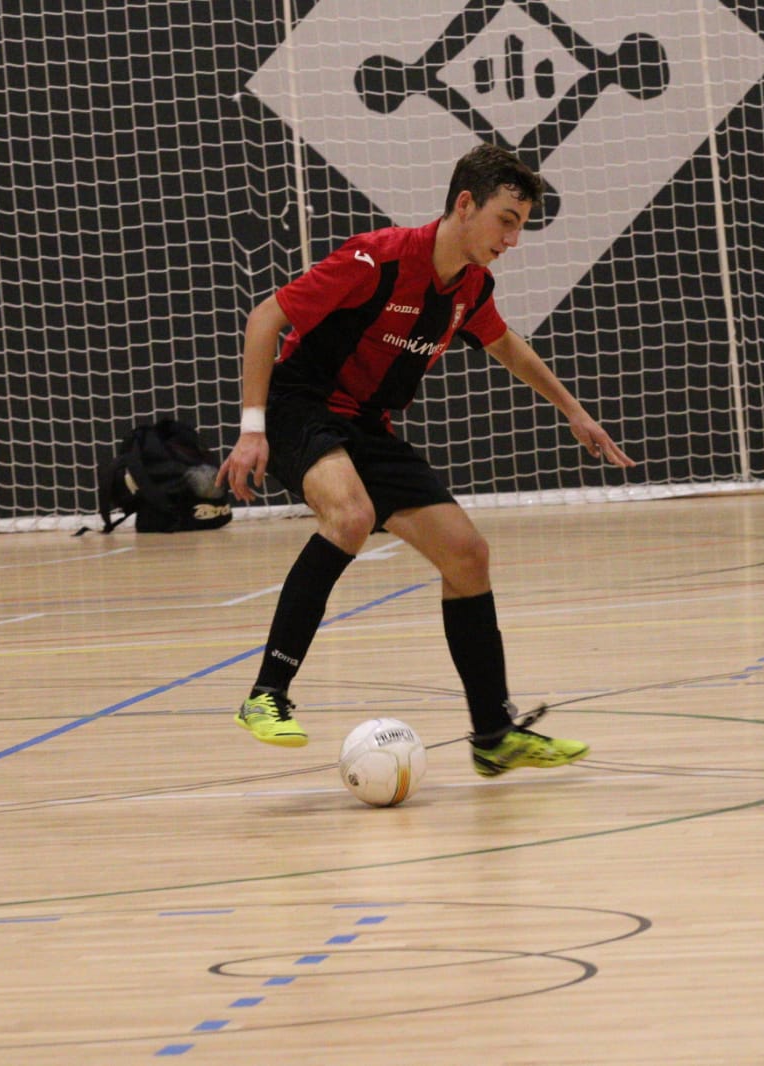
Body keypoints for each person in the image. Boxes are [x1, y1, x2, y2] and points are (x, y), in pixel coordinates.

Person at [218, 144, 635, 776]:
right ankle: (265, 696)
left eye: (520, 225)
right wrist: (253, 430)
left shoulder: (469, 286)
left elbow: (510, 349)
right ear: (465, 205)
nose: (512, 239)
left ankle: (494, 736)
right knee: (351, 516)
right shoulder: (374, 258)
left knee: (466, 553)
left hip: (365, 423)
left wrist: (574, 412)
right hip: (297, 404)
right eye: (506, 220)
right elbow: (265, 317)